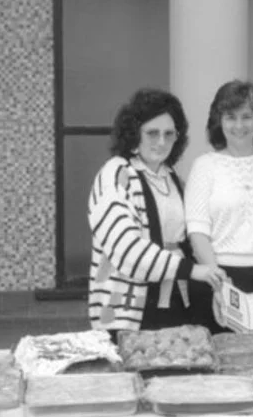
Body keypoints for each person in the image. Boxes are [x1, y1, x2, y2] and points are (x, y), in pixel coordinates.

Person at [88, 88, 226, 337]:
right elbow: (125, 249)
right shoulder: (116, 174)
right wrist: (194, 271)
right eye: (152, 133)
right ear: (134, 133)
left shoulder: (172, 177)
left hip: (177, 302)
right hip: (129, 309)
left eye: (169, 134)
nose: (161, 142)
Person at [185, 80, 253, 334]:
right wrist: (218, 280)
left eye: (247, 116)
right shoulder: (204, 166)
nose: (239, 126)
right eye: (230, 117)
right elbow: (197, 232)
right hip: (215, 279)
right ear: (219, 121)